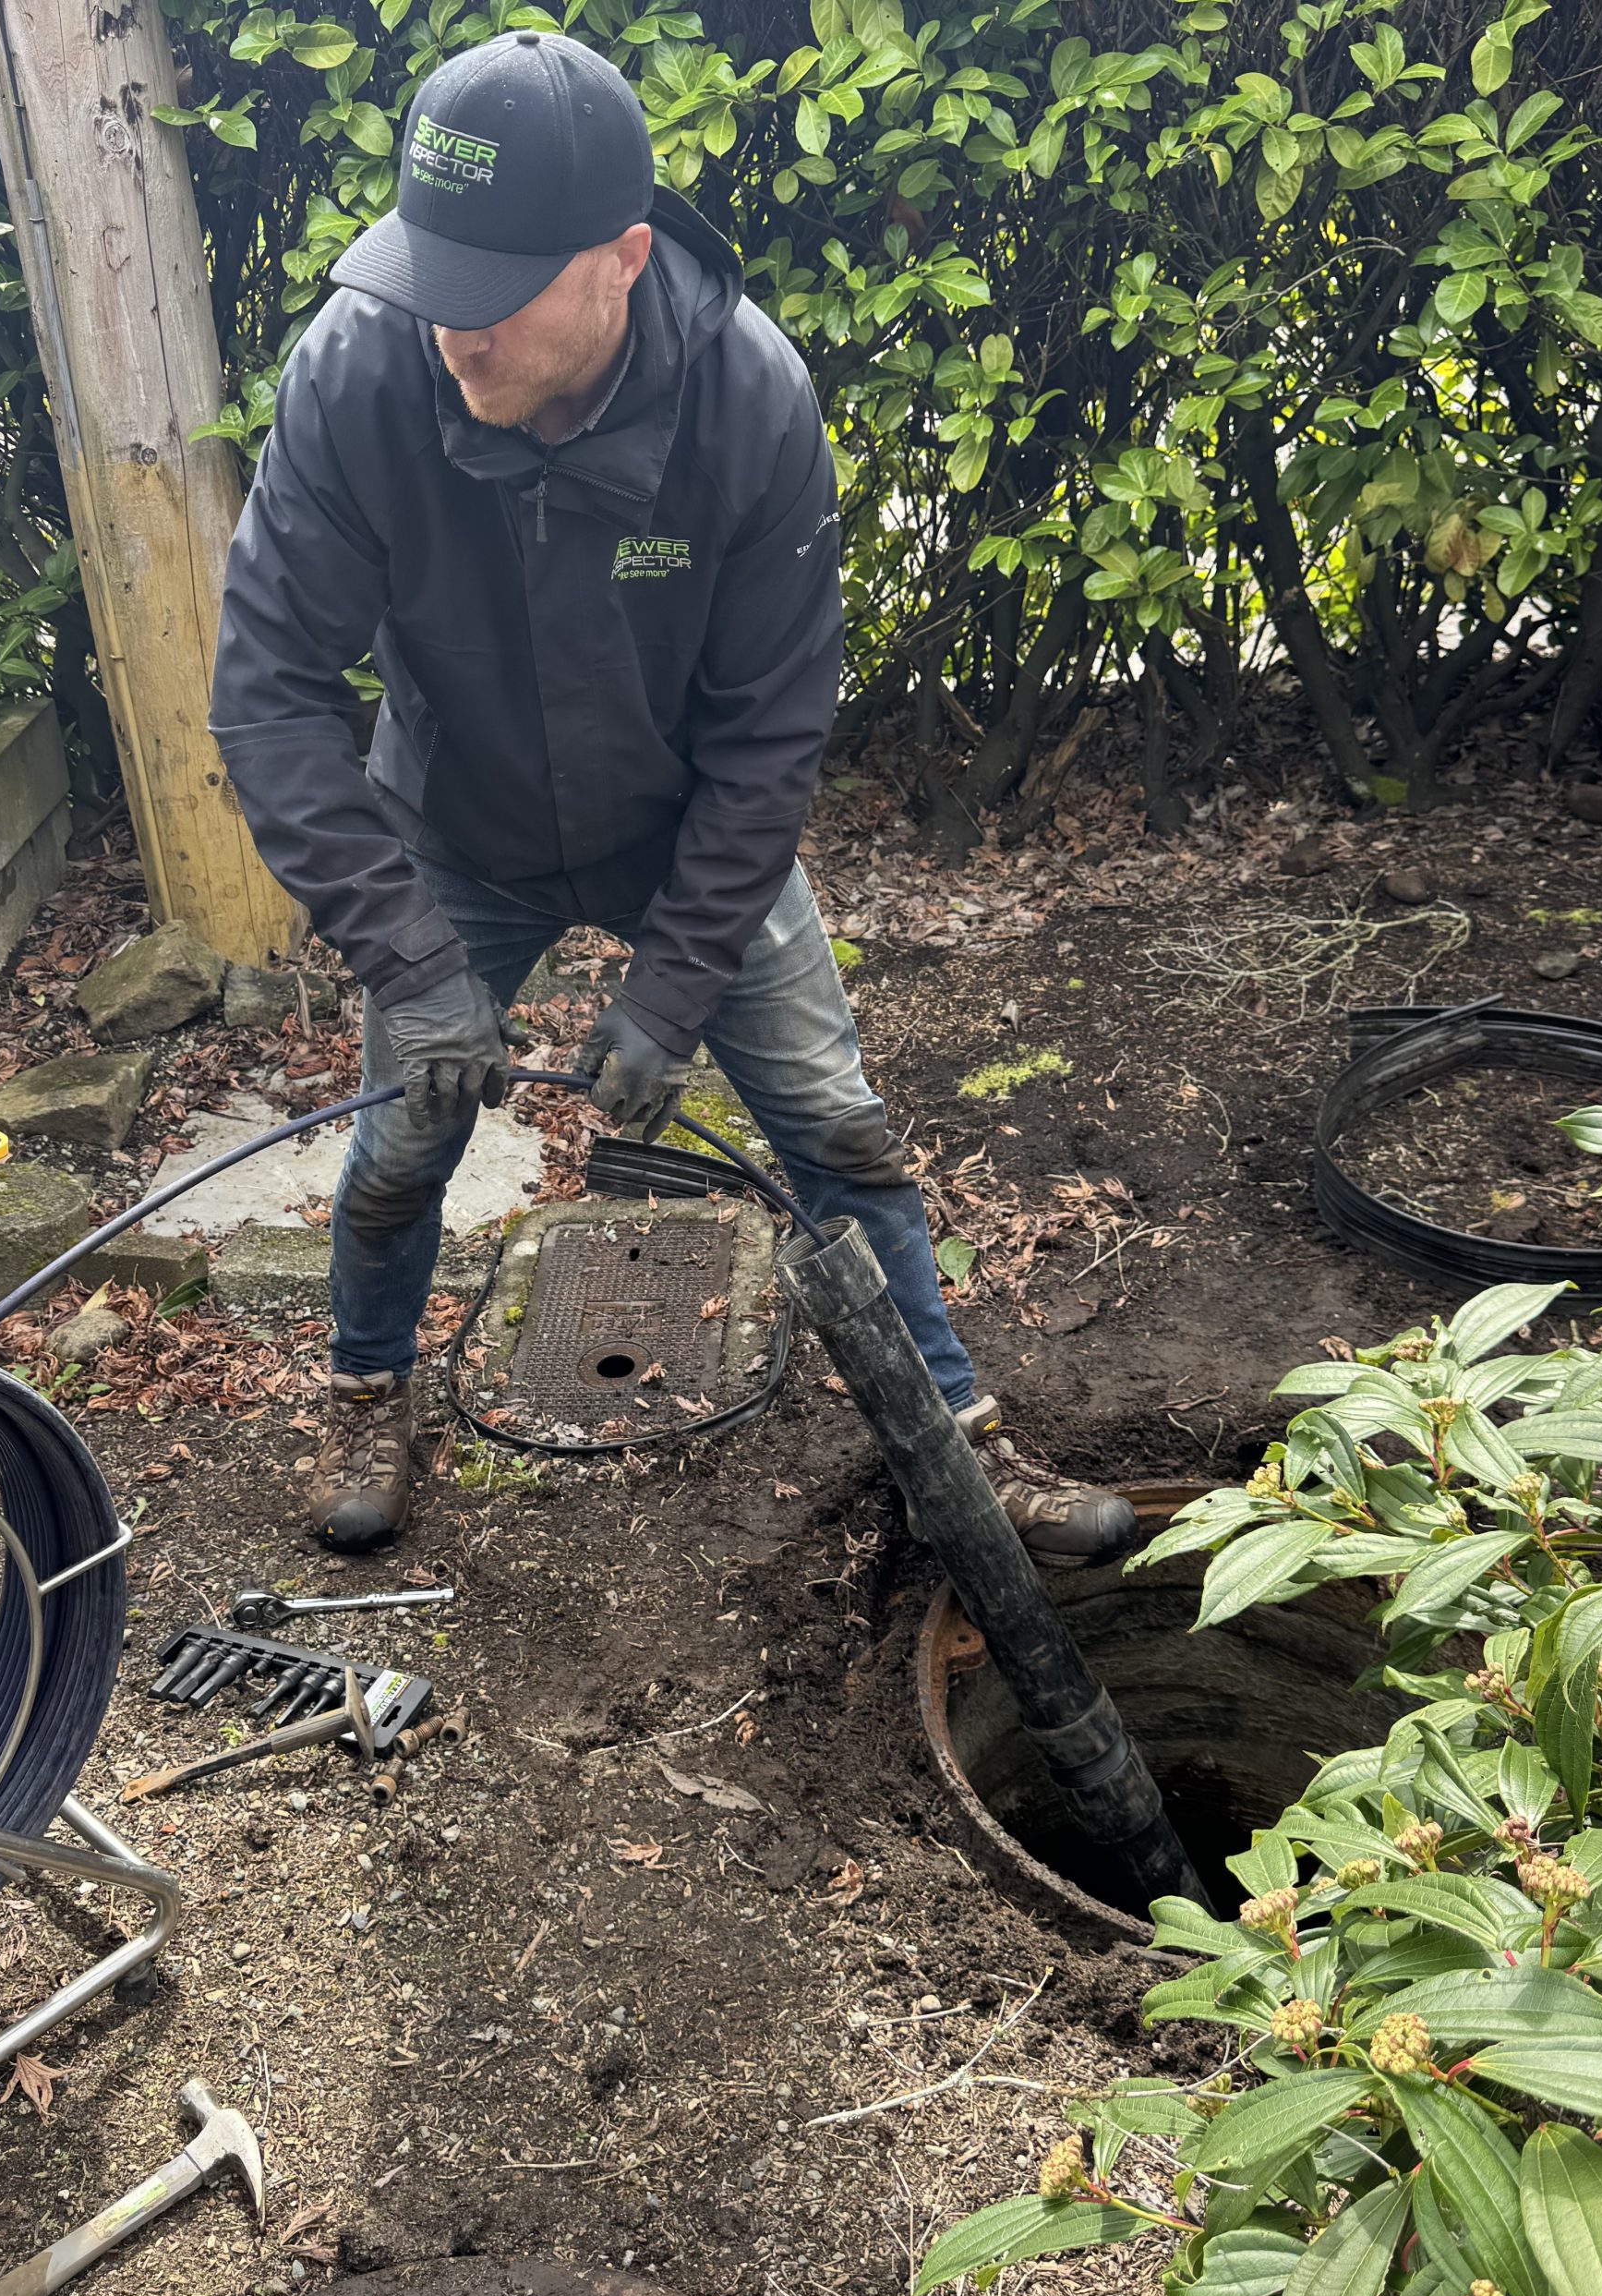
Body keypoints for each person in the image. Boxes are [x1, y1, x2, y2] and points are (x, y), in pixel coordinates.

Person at [210, 30, 1131, 1567]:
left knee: (837, 1131)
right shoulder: (361, 366)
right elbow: (267, 692)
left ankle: (965, 1455)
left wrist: (673, 987)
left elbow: (772, 735)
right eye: (432, 280)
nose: (455, 337)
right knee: (397, 1148)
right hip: (457, 830)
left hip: (688, 834)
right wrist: (411, 966)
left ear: (620, 261)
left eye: (495, 294)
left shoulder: (748, 400)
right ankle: (366, 1387)